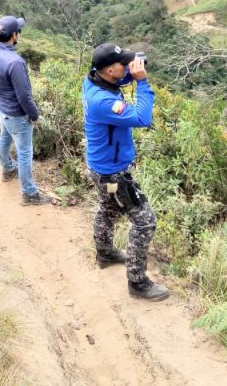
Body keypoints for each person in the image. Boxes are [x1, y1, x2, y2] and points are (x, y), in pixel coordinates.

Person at [82, 43, 169, 301]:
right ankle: (137, 282)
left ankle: (105, 252)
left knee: (107, 209)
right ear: (110, 70)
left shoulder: (95, 80)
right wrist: (142, 82)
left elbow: (119, 78)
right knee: (144, 221)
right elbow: (142, 118)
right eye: (123, 63)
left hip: (100, 165)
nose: (128, 67)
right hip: (113, 174)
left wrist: (133, 67)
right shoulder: (103, 102)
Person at [0, 16, 53, 206]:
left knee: (5, 136)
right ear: (14, 35)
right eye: (18, 31)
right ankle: (29, 194)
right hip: (16, 113)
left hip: (1, 105)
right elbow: (24, 97)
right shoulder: (16, 62)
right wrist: (34, 115)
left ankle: (7, 169)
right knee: (24, 152)